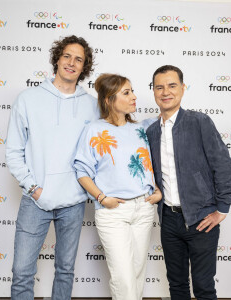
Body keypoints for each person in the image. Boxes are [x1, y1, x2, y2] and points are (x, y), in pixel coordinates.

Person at [6, 35, 99, 300]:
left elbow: (97, 154)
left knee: (65, 270)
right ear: (57, 59)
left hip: (74, 202)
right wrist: (33, 188)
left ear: (84, 67)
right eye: (67, 56)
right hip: (35, 200)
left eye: (78, 59)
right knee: (22, 272)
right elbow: (13, 151)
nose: (71, 62)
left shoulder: (92, 106)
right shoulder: (28, 99)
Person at [146, 65, 231, 300]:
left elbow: (224, 165)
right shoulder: (152, 131)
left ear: (183, 89)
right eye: (159, 87)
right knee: (176, 286)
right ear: (154, 91)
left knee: (204, 287)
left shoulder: (199, 122)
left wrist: (222, 209)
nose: (165, 92)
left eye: (172, 85)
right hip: (169, 221)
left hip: (201, 220)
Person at [73, 73, 162, 300]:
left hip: (143, 209)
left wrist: (157, 189)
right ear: (109, 100)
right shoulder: (95, 130)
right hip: (113, 212)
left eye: (132, 91)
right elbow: (82, 172)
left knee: (136, 274)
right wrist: (102, 198)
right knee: (123, 276)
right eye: (126, 92)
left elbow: (157, 161)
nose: (134, 96)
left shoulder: (142, 128)